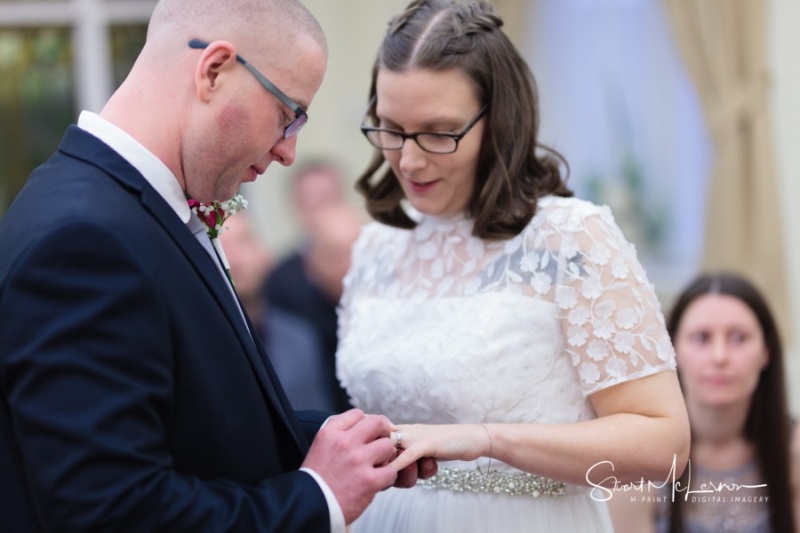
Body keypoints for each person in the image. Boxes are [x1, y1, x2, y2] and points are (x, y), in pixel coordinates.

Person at [0, 1, 431, 531]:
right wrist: (319, 495)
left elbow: (195, 420)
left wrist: (337, 444)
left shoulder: (133, 211)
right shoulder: (84, 240)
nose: (288, 151)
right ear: (214, 71)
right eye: (287, 114)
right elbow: (112, 511)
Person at [335, 1, 691, 531]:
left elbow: (664, 445)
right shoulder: (376, 247)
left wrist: (488, 439)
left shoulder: (569, 237)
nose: (408, 160)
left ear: (498, 121)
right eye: (390, 128)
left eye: (438, 132)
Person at [608, 272, 800, 532]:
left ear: (766, 352)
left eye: (738, 338)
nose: (719, 356)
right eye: (701, 338)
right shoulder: (640, 461)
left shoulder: (793, 451)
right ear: (673, 349)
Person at [266, 163, 363, 413]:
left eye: (327, 198)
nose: (320, 210)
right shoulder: (280, 280)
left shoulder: (378, 268)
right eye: (310, 201)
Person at [219, 211, 332, 411]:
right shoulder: (197, 344)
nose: (233, 258)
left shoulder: (301, 338)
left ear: (265, 256)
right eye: (221, 246)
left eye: (243, 242)